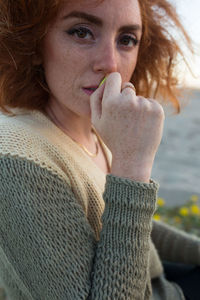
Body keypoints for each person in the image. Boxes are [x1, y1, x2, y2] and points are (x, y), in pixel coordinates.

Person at [0, 0, 199, 299]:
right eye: (82, 32)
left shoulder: (94, 127)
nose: (111, 63)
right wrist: (133, 165)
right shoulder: (17, 158)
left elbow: (124, 224)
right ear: (36, 43)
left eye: (126, 40)